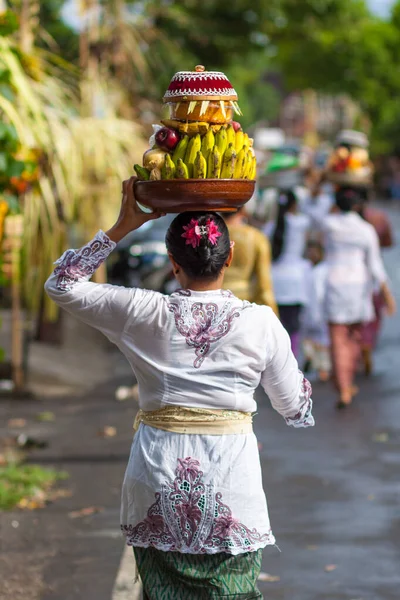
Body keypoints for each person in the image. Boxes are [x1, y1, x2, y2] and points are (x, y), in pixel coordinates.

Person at [45, 178, 314, 600]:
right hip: (232, 488)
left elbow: (61, 283)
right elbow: (296, 409)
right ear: (231, 257)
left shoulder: (143, 312)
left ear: (173, 262)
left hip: (157, 485)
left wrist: (122, 226)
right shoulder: (261, 322)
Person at [321, 187, 396, 408]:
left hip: (334, 282)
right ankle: (347, 381)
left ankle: (343, 386)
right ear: (357, 205)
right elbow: (375, 265)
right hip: (358, 286)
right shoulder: (365, 229)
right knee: (354, 335)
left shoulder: (329, 225)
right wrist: (387, 294)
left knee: (337, 337)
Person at [264, 189, 311, 357]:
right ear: (294, 204)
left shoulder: (270, 227)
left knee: (277, 329)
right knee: (293, 328)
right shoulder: (302, 223)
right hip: (296, 281)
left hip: (275, 281)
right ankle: (293, 363)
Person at [357, 193, 394, 374]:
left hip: (350, 280)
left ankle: (359, 350)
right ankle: (366, 345)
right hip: (372, 279)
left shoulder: (335, 220)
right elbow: (388, 242)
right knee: (373, 317)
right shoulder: (379, 218)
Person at [223, 208, 278, 314]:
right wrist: (273, 315)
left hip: (214, 301)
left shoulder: (213, 236)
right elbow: (264, 283)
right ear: (243, 210)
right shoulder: (257, 237)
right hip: (244, 304)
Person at [302, 240, 331, 382]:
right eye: (310, 251)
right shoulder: (305, 268)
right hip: (307, 311)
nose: (312, 254)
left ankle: (323, 369)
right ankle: (311, 360)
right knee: (308, 341)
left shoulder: (325, 270)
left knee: (322, 341)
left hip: (321, 311)